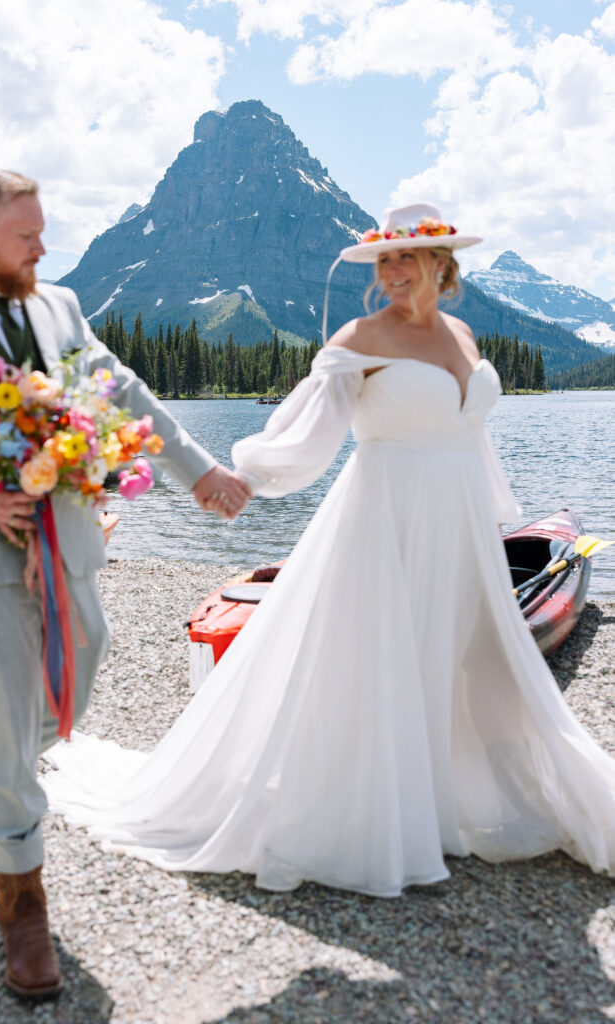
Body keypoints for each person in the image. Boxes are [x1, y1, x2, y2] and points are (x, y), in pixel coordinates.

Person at [42, 202, 615, 897]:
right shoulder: (360, 336)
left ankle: (439, 797)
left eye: (408, 257)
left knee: (460, 650)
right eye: (385, 259)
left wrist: (493, 513)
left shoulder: (462, 332)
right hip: (388, 514)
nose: (394, 271)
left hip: (458, 517)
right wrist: (245, 476)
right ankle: (378, 811)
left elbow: (470, 430)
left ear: (442, 263)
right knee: (383, 653)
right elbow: (308, 427)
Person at [0, 170, 251, 1000]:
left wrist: (197, 470)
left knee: (75, 684)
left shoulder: (60, 306)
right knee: (9, 705)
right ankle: (23, 905)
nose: (43, 248)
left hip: (67, 535)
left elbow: (119, 389)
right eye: (27, 235)